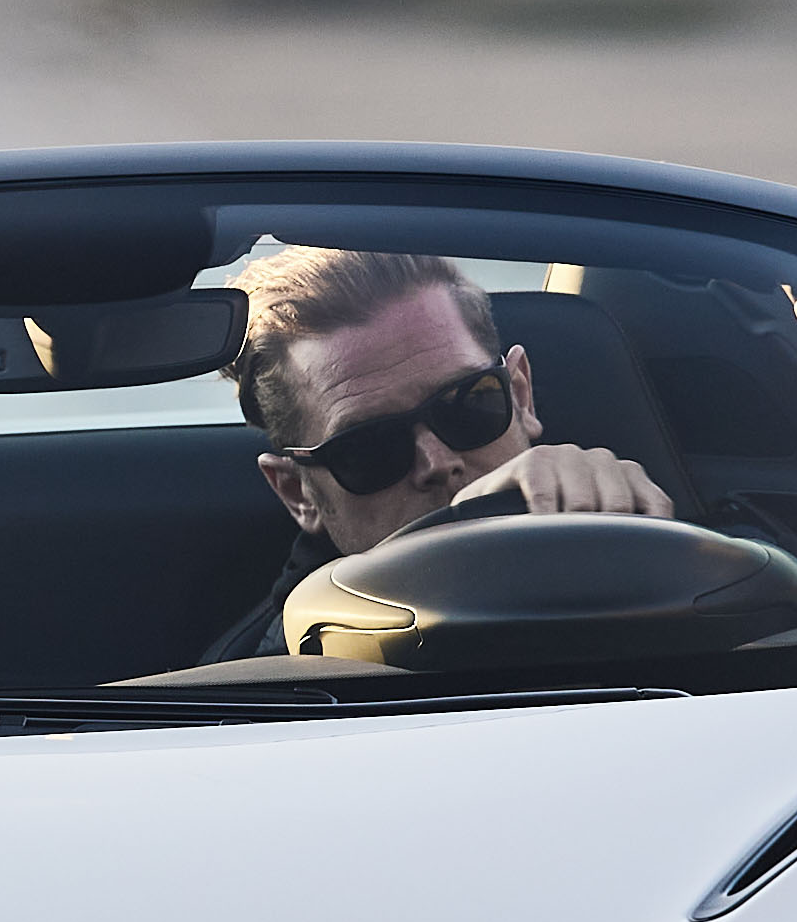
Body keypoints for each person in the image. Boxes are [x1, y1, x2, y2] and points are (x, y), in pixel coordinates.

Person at [195, 246, 675, 665]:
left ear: (522, 396)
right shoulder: (258, 695)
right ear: (298, 493)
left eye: (469, 404)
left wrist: (643, 538)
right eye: (370, 446)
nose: (437, 462)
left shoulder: (676, 545)